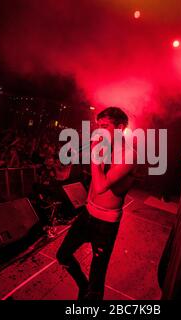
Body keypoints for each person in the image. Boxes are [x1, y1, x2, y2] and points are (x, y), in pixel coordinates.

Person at [56, 106, 136, 300]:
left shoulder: (129, 154)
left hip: (105, 224)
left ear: (120, 127)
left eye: (105, 126)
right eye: (98, 126)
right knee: (63, 255)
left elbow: (101, 186)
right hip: (87, 214)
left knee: (97, 279)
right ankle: (82, 286)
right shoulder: (103, 148)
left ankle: (90, 294)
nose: (99, 131)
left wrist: (95, 153)